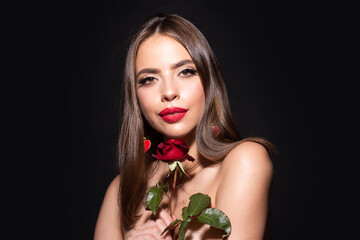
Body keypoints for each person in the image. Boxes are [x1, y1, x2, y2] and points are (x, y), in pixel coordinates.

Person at [94, 13, 275, 240]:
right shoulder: (120, 192)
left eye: (186, 72)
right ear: (135, 96)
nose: (169, 92)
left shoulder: (245, 161)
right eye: (149, 79)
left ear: (209, 82)